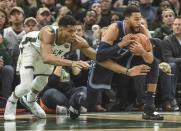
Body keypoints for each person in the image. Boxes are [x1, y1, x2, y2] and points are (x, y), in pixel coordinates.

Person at [4, 15, 150, 121]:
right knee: (26, 85)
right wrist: (72, 63)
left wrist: (127, 71)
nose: (74, 35)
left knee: (41, 82)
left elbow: (100, 59)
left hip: (48, 54)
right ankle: (12, 100)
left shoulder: (77, 41)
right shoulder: (48, 33)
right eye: (70, 31)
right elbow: (46, 57)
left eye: (75, 31)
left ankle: (30, 100)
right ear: (60, 29)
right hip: (30, 48)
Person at [87, 5, 164, 120]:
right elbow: (100, 56)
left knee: (154, 64)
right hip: (105, 63)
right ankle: (77, 101)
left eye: (140, 18)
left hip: (124, 61)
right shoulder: (115, 28)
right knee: (89, 103)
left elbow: (150, 59)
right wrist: (121, 44)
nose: (140, 22)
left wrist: (142, 52)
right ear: (127, 19)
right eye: (136, 19)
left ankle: (149, 107)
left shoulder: (142, 30)